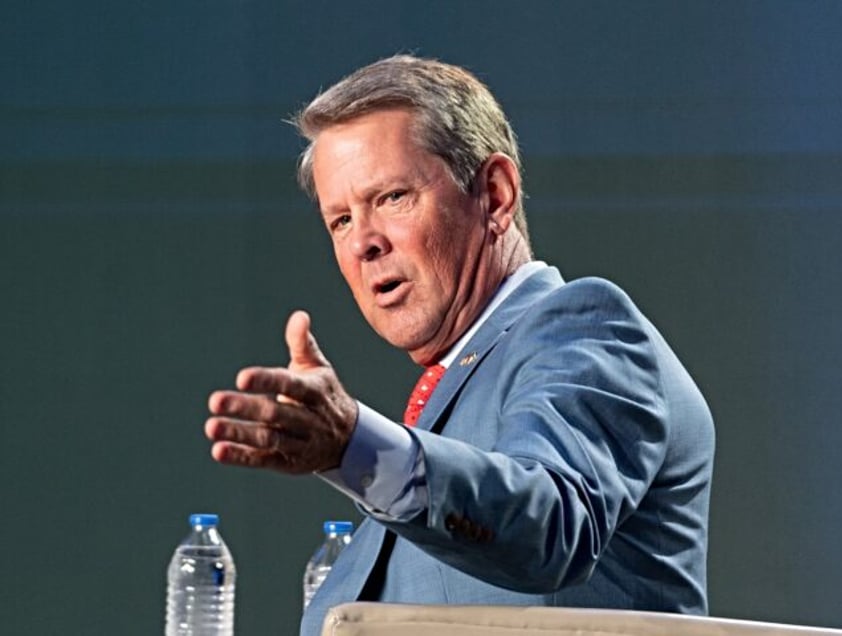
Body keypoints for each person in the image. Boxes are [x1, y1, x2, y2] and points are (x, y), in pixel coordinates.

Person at [204, 55, 715, 636]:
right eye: (340, 220)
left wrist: (355, 448)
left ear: (494, 195)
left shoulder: (583, 326)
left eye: (392, 197)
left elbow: (549, 526)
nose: (364, 243)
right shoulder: (444, 410)